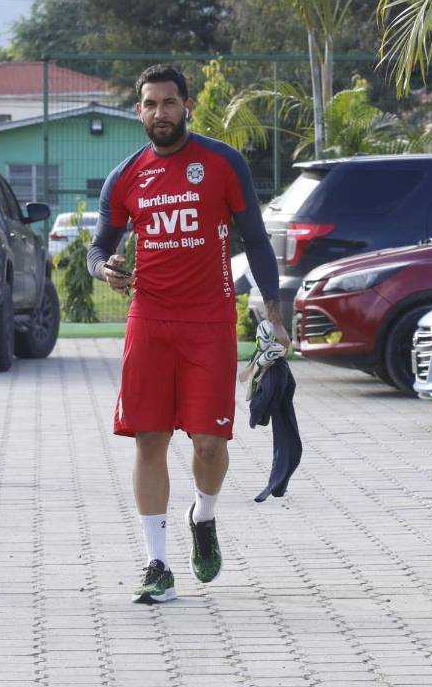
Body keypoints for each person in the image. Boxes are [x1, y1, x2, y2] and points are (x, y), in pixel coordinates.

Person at [87, 64, 288, 604]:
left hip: (210, 324)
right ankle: (156, 563)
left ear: (187, 106)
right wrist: (102, 267)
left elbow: (256, 239)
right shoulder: (126, 176)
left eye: (169, 103)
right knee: (149, 438)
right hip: (148, 322)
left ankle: (204, 515)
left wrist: (272, 308)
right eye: (150, 104)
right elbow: (97, 247)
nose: (160, 113)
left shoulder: (222, 163)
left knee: (208, 444)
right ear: (139, 111)